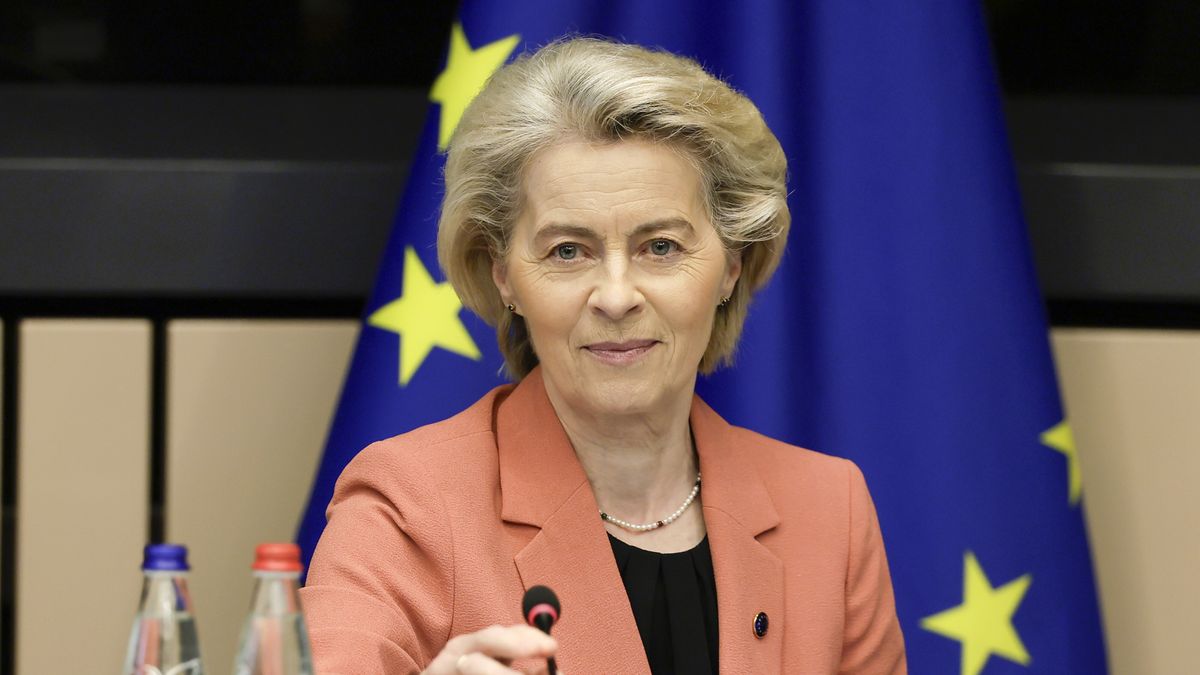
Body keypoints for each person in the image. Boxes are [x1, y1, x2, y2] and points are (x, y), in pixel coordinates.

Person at [301, 37, 906, 674]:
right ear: (504, 274)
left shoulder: (828, 508)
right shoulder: (411, 505)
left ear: (731, 265)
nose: (616, 297)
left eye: (662, 247)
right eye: (568, 251)